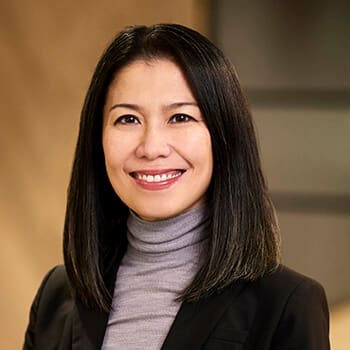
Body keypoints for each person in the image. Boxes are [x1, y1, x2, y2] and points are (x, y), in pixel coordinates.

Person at [23, 23, 330, 350]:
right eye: (128, 119)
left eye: (180, 117)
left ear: (223, 135)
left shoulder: (286, 306)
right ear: (97, 139)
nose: (151, 146)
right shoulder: (56, 298)